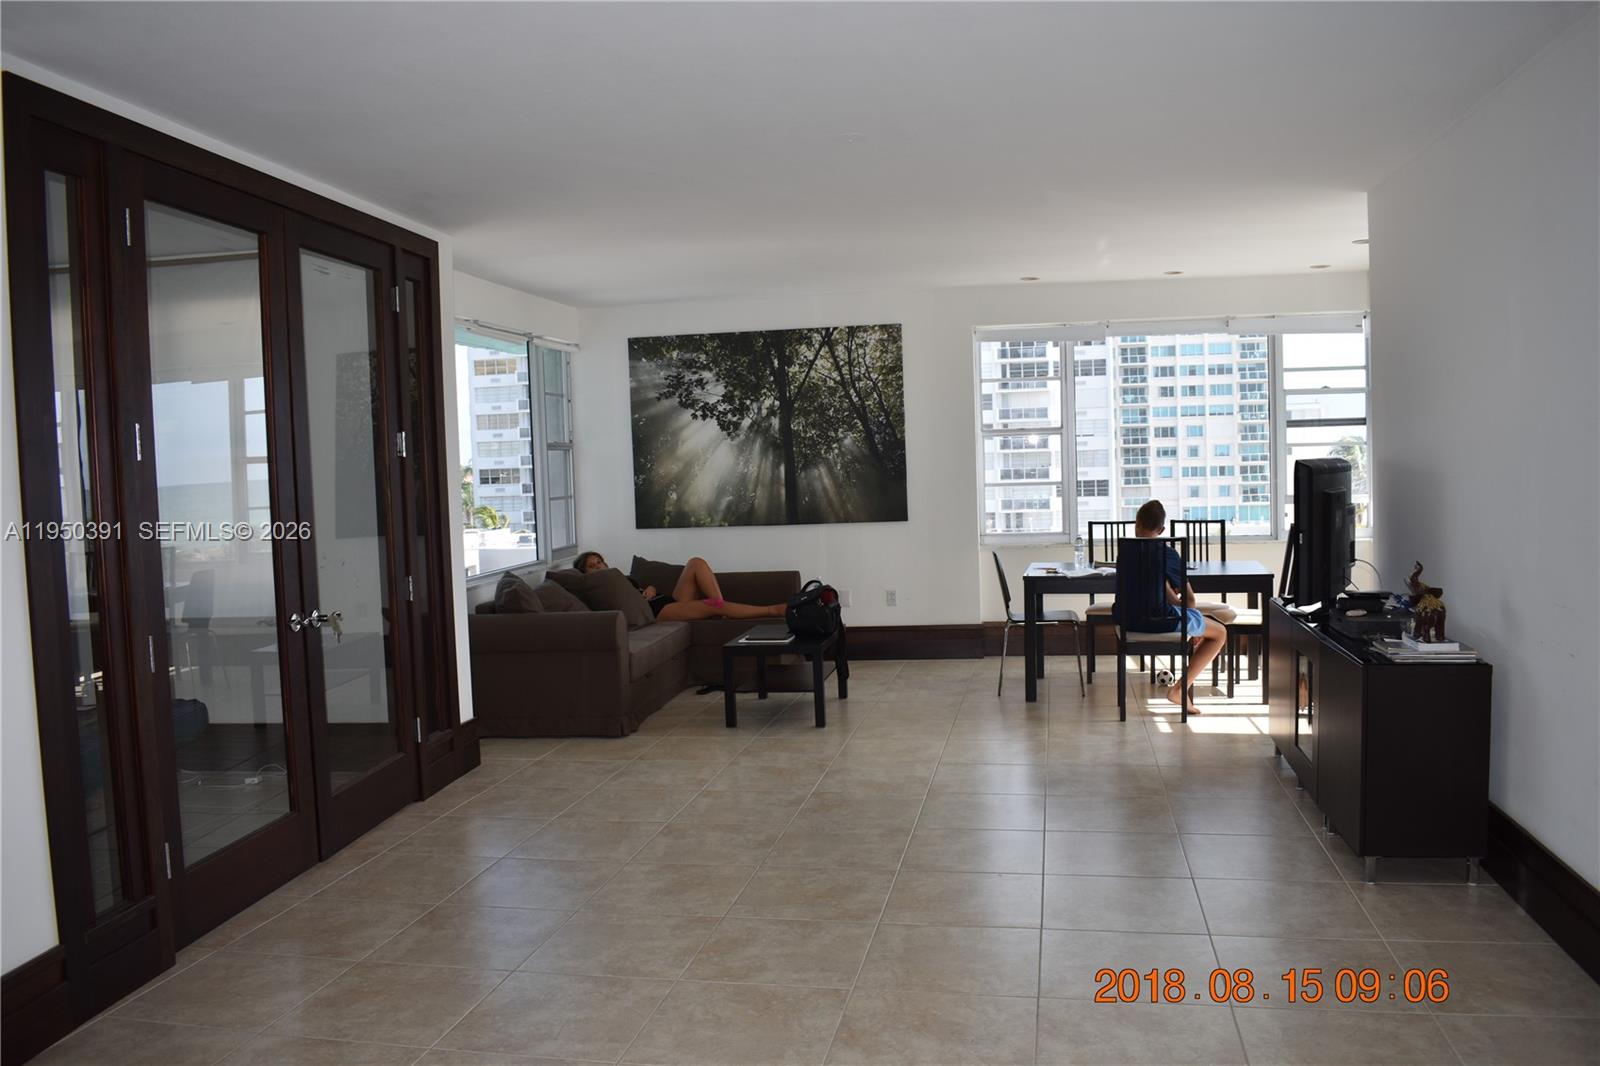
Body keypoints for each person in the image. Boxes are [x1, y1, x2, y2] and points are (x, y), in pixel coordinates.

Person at [1131, 500, 1228, 710]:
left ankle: (1179, 689)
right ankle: (1179, 690)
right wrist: (1194, 631)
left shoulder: (1126, 554)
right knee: (1220, 632)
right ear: (1162, 530)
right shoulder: (1168, 554)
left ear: (1135, 524)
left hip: (1129, 618)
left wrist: (1166, 591)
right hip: (1159, 620)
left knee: (1191, 619)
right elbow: (1190, 600)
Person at [571, 551, 787, 622]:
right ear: (585, 574)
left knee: (696, 563)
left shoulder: (619, 577)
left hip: (664, 600)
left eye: (600, 561)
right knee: (711, 604)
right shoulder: (598, 589)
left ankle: (723, 611)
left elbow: (646, 587)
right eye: (593, 566)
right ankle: (772, 609)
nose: (599, 566)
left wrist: (651, 589)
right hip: (655, 612)